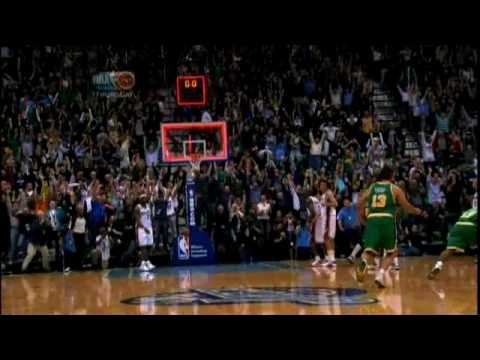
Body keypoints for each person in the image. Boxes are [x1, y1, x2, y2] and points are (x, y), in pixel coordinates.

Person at [355, 165, 428, 288]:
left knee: (369, 251)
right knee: (392, 252)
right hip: (387, 220)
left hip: (372, 220)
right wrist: (419, 212)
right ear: (390, 176)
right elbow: (407, 207)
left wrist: (361, 217)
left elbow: (359, 203)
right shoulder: (394, 189)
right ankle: (380, 275)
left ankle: (363, 263)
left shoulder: (372, 187)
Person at [427, 207, 477, 279]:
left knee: (449, 250)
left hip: (457, 226)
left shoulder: (471, 210)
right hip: (471, 226)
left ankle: (437, 266)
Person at [318, 179, 338, 267]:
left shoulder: (328, 193)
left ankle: (331, 259)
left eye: (324, 184)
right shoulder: (323, 194)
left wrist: (325, 204)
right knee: (329, 238)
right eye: (321, 185)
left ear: (327, 185)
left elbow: (335, 203)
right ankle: (332, 259)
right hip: (326, 218)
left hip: (329, 217)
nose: (322, 186)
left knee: (327, 237)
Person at [337, 197, 361, 262]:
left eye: (347, 202)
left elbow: (358, 204)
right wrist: (340, 227)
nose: (346, 204)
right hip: (348, 229)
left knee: (358, 238)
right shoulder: (342, 210)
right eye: (344, 203)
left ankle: (354, 254)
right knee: (345, 235)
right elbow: (339, 220)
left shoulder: (354, 207)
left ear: (350, 202)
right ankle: (348, 254)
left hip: (356, 228)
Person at [135, 193, 155, 272]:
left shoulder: (148, 206)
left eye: (144, 197)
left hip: (149, 228)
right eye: (142, 198)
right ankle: (143, 263)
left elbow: (150, 217)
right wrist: (144, 228)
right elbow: (138, 220)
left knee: (149, 246)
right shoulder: (137, 207)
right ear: (140, 200)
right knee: (143, 247)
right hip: (142, 229)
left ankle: (147, 262)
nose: (144, 198)